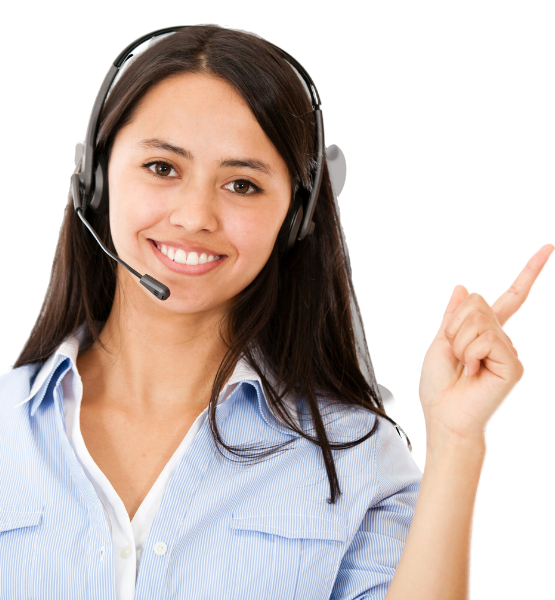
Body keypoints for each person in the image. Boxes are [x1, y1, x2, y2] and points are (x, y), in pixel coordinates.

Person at [0, 24, 552, 600]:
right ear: (94, 180)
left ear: (297, 215)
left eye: (242, 184)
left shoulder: (352, 455)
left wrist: (456, 440)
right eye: (162, 167)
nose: (195, 216)